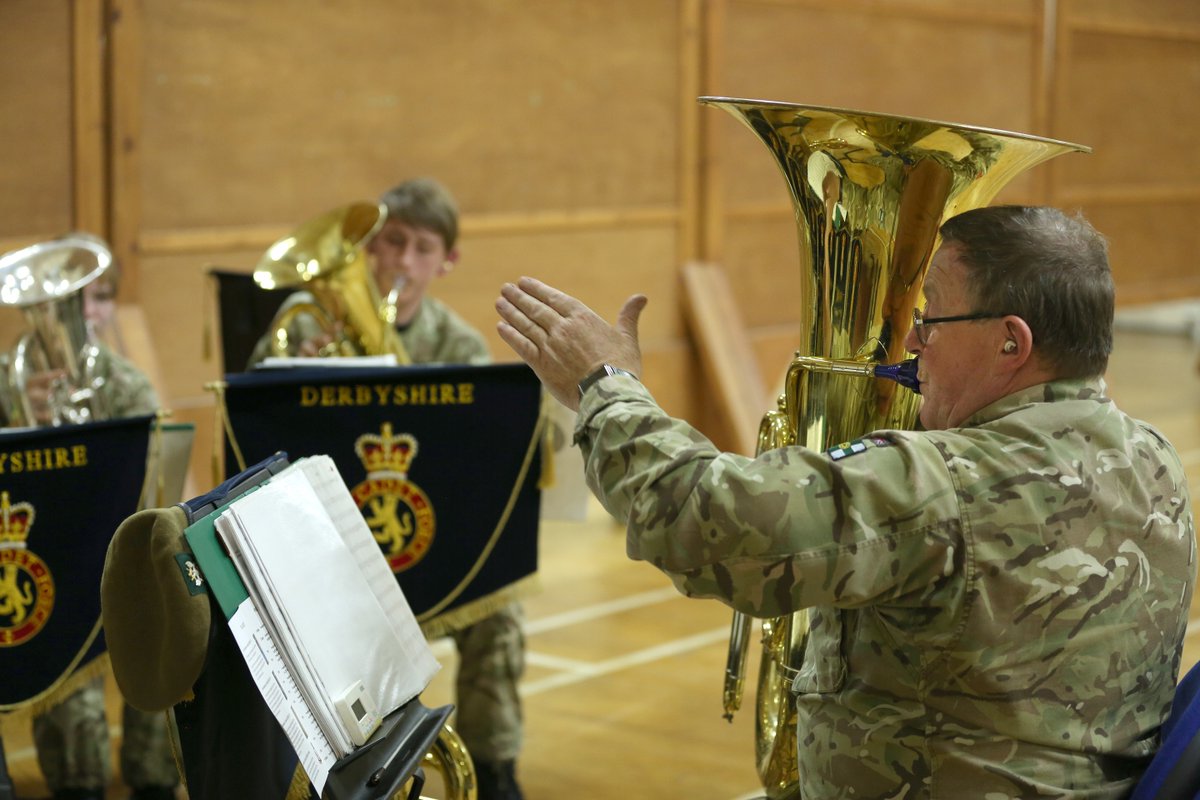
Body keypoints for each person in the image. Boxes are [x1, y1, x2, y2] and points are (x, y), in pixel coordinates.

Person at [495, 205, 1197, 798]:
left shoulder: (946, 482)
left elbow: (696, 517)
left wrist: (604, 385)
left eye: (934, 319)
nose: (915, 341)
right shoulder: (1155, 458)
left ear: (1011, 342)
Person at [248, 178, 527, 800]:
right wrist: (303, 372)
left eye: (423, 248)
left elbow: (475, 461)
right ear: (368, 249)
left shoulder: (459, 346)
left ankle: (496, 767)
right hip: (329, 550)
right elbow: (258, 423)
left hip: (428, 542)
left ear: (446, 262)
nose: (403, 261)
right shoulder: (305, 325)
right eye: (392, 243)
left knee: (501, 613)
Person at [18, 249, 179, 800]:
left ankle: (153, 775)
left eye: (99, 297)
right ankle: (77, 780)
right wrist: (27, 428)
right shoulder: (9, 381)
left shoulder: (127, 385)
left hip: (120, 551)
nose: (86, 311)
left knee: (168, 617)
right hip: (42, 563)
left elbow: (161, 477)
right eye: (70, 299)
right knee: (61, 661)